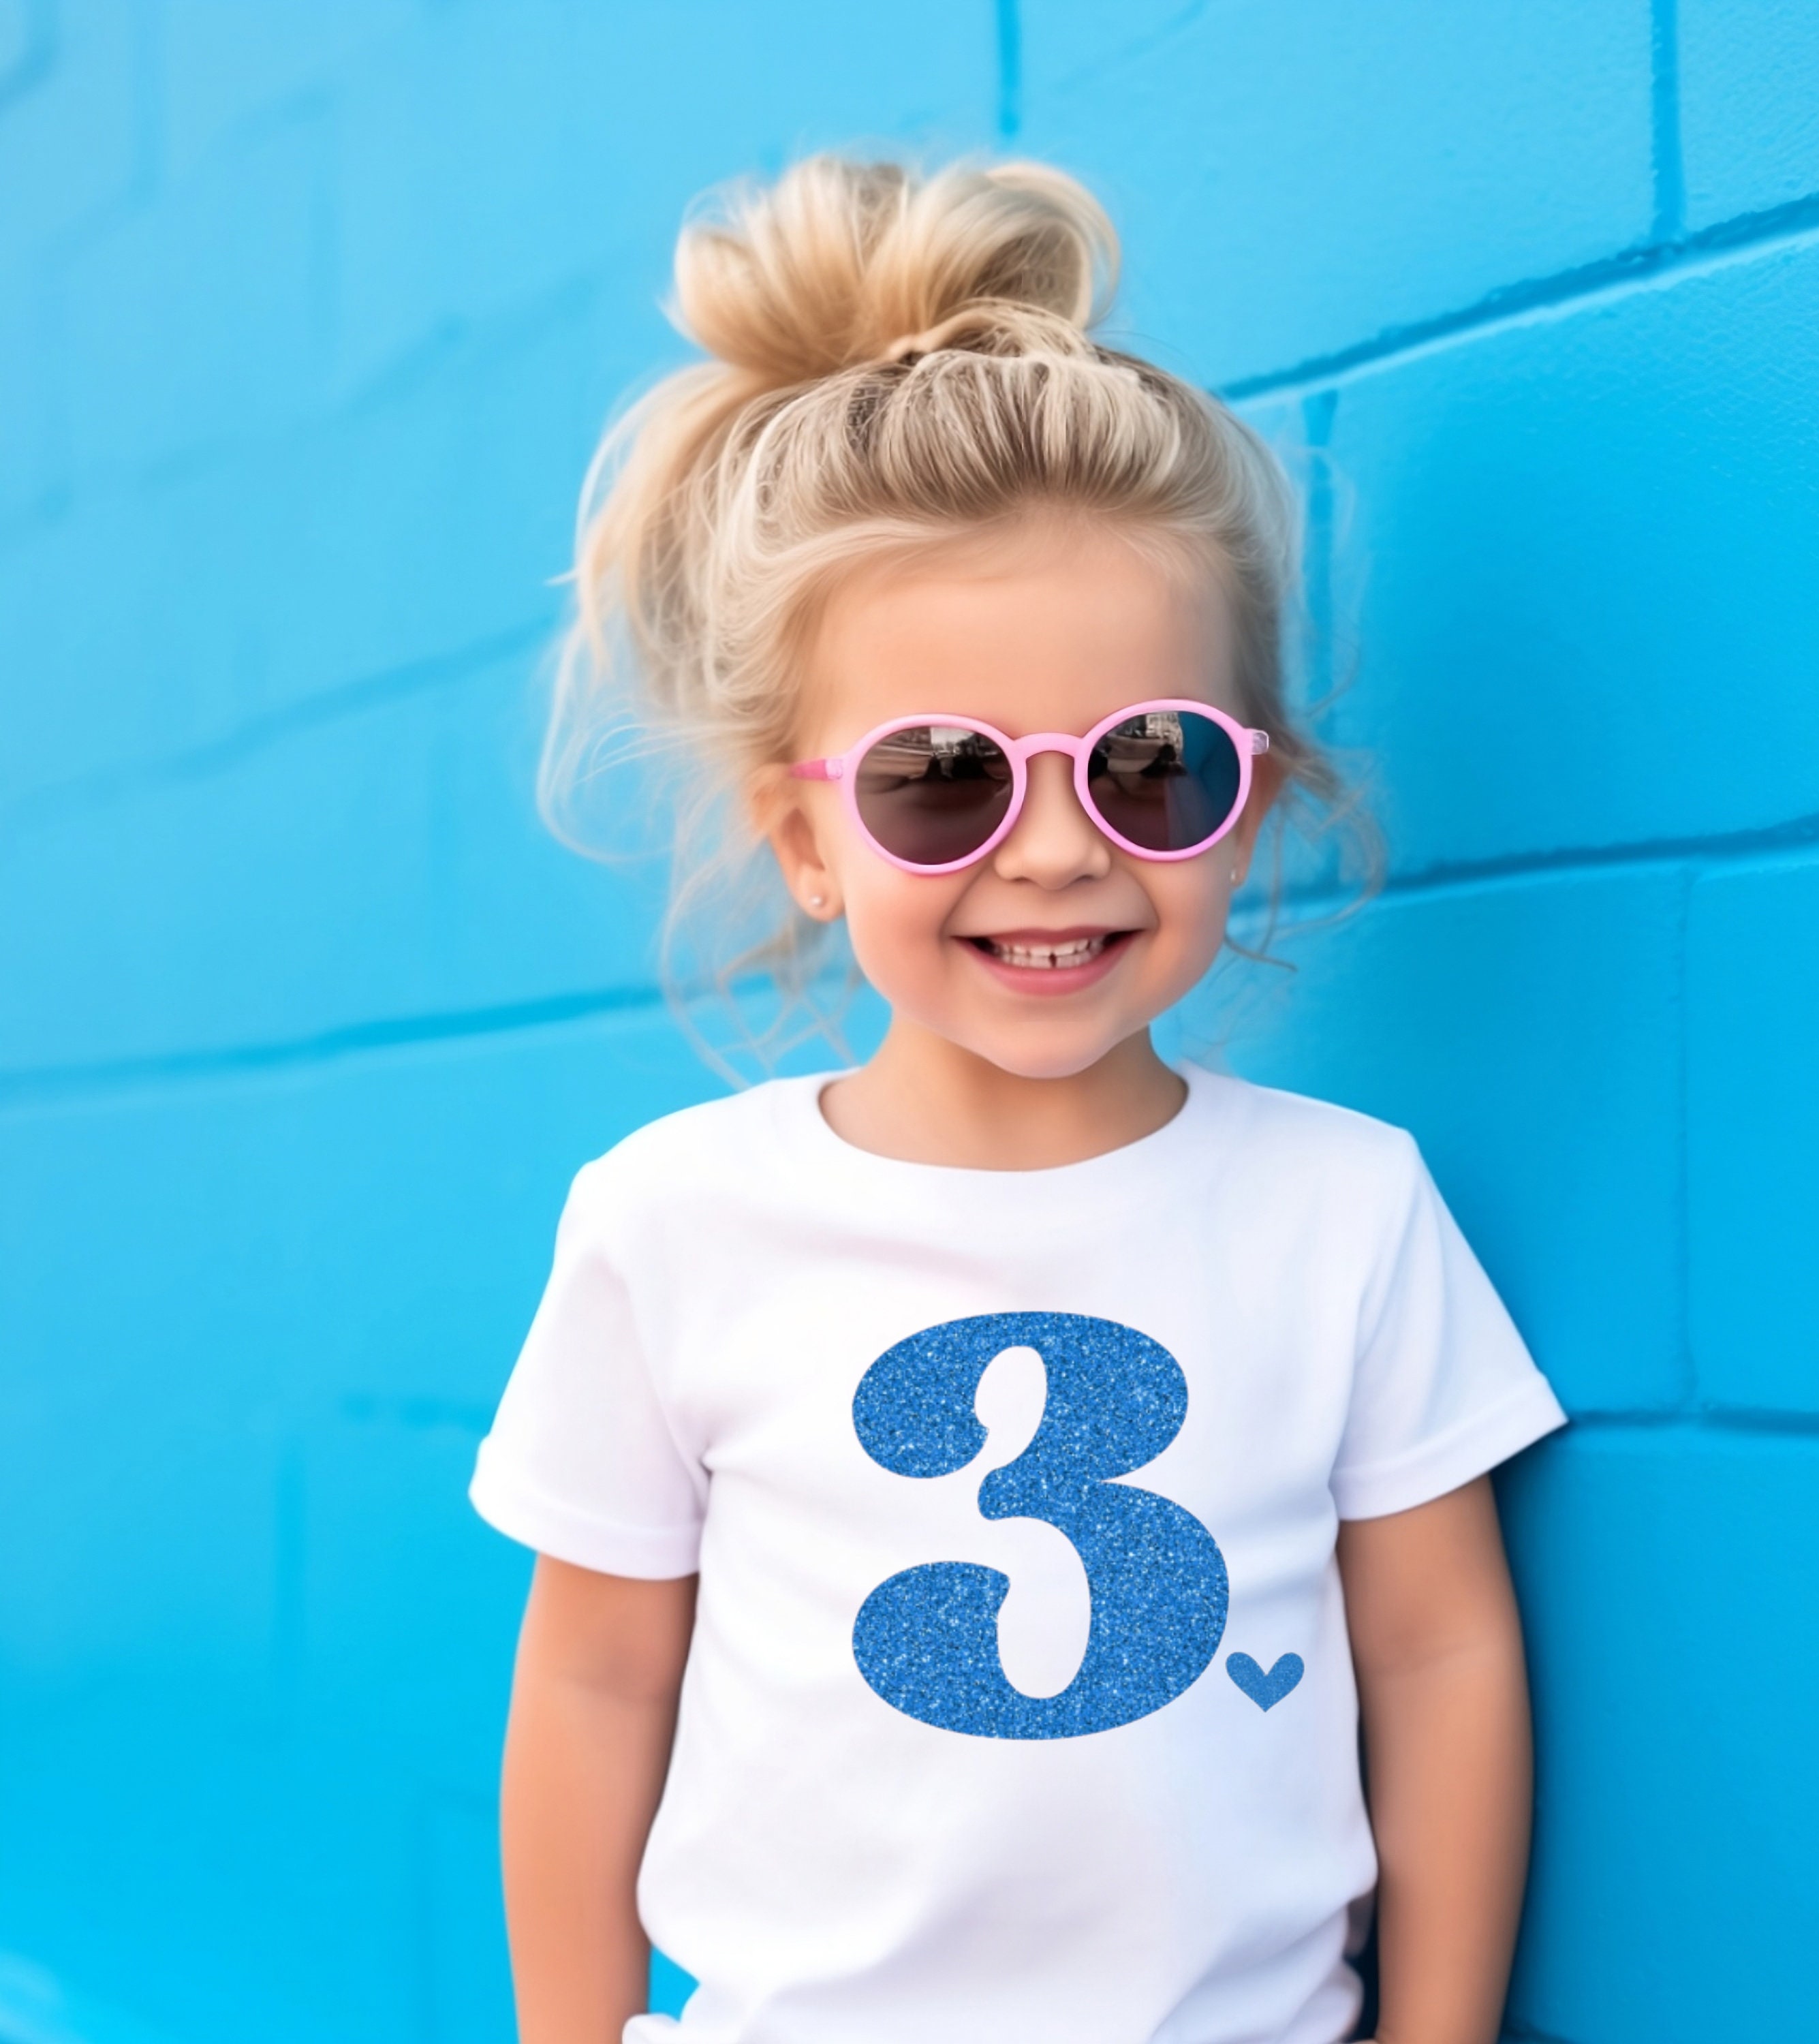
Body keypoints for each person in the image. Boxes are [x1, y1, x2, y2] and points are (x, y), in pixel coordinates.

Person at [469, 155, 1566, 2044]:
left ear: (1254, 794)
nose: (1056, 851)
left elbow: (1439, 1650)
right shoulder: (672, 1222)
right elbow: (594, 1680)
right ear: (803, 837)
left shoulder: (1347, 1208)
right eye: (942, 778)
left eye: (1147, 766)